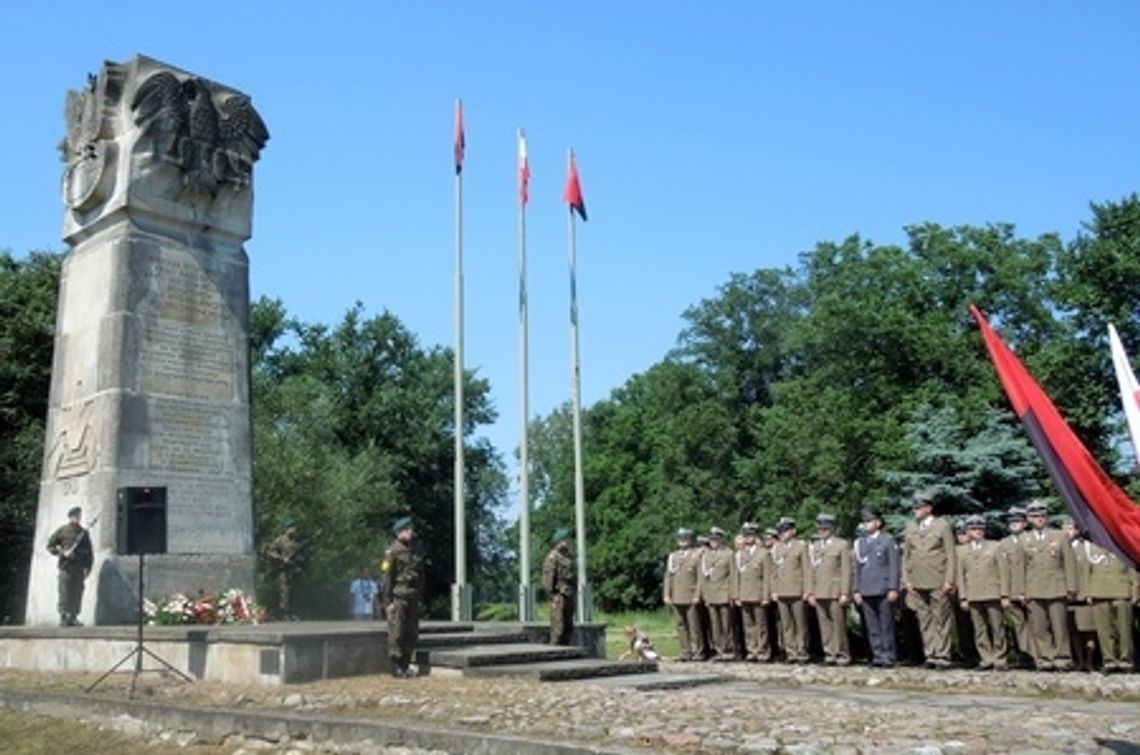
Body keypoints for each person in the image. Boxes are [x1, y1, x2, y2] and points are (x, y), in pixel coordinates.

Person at [902, 490, 957, 668]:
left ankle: (943, 654)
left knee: (941, 617)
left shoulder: (942, 526)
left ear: (928, 508)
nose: (915, 510)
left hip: (938, 579)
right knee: (924, 619)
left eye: (919, 507)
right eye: (914, 507)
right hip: (917, 580)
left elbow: (950, 554)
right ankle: (931, 654)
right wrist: (906, 580)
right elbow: (906, 556)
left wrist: (949, 579)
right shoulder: (911, 527)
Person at [1021, 500, 1076, 671]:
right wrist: (1021, 591)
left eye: (1042, 516)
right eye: (1035, 516)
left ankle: (1063, 658)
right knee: (1039, 627)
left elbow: (1069, 563)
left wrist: (1071, 587)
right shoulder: (1024, 539)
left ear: (1047, 517)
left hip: (1056, 587)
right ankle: (1046, 658)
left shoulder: (1059, 536)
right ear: (1029, 519)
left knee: (1059, 626)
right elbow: (1020, 567)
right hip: (1034, 588)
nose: (1039, 519)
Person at [956, 515, 1010, 670]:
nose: (977, 531)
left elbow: (1003, 572)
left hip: (992, 592)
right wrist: (963, 597)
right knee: (979, 629)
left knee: (997, 627)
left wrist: (1004, 594)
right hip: (973, 594)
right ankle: (986, 658)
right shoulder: (961, 551)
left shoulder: (995, 547)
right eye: (973, 528)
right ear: (967, 531)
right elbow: (961, 576)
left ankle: (1000, 658)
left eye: (980, 528)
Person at [852, 506, 900, 667]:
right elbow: (857, 568)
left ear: (878, 523)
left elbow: (894, 565)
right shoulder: (861, 543)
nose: (865, 524)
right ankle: (877, 655)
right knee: (872, 625)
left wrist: (893, 587)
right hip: (866, 588)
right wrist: (856, 589)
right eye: (864, 521)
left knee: (886, 624)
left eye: (869, 521)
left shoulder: (887, 540)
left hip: (883, 588)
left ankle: (889, 656)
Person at [1083, 538, 1139, 672]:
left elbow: (1133, 571)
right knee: (1104, 630)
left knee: (1124, 629)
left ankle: (1126, 661)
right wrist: (1088, 592)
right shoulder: (1092, 547)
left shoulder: (1122, 546)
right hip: (1099, 591)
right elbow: (1087, 571)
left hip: (1121, 591)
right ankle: (1109, 661)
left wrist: (1135, 592)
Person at [382, 516, 424, 677]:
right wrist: (388, 602)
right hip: (398, 597)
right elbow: (386, 578)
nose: (410, 532)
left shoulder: (415, 550)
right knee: (397, 632)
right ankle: (397, 665)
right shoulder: (392, 552)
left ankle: (406, 663)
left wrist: (420, 593)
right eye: (407, 529)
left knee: (411, 631)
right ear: (399, 532)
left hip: (412, 596)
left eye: (411, 529)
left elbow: (421, 575)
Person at [807, 513, 851, 665]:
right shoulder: (815, 547)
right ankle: (829, 653)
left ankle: (842, 654)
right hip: (819, 590)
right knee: (824, 624)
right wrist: (811, 591)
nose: (822, 531)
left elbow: (846, 570)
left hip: (835, 590)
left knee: (838, 624)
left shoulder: (841, 545)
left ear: (832, 529)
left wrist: (845, 592)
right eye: (820, 528)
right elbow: (811, 571)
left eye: (825, 528)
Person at [770, 517, 809, 663]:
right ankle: (790, 651)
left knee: (800, 623)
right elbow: (773, 572)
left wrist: (807, 590)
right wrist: (773, 590)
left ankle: (802, 651)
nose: (782, 534)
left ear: (793, 531)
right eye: (780, 531)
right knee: (786, 625)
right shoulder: (776, 548)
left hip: (797, 589)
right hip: (781, 591)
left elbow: (806, 569)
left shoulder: (801, 546)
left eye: (785, 530)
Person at [46, 506, 94, 627]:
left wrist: (88, 567)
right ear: (70, 517)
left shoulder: (83, 533)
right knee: (65, 591)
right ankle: (63, 616)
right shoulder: (62, 531)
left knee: (77, 592)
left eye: (79, 516)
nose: (77, 518)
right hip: (66, 567)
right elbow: (50, 546)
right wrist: (63, 552)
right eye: (75, 516)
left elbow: (89, 551)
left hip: (79, 567)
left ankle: (73, 617)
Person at [999, 506, 1034, 666]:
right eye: (1011, 521)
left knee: (1037, 624)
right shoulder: (1003, 544)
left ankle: (1040, 654)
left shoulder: (1032, 539)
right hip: (1012, 591)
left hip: (1032, 590)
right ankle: (1026, 654)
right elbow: (1002, 572)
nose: (1014, 524)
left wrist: (1028, 590)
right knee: (1019, 625)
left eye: (1017, 521)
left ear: (1025, 523)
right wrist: (1004, 594)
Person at [663, 528, 703, 661]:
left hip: (690, 595)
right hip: (677, 595)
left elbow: (700, 577)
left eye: (685, 538)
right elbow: (669, 576)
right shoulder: (673, 556)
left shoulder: (696, 555)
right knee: (680, 625)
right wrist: (667, 594)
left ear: (690, 540)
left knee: (694, 625)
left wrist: (697, 594)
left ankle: (697, 651)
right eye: (680, 538)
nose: (682, 541)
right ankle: (685, 652)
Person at [734, 522, 772, 661]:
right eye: (745, 535)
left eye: (750, 535)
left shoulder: (763, 553)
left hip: (758, 593)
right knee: (748, 625)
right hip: (744, 593)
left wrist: (765, 595)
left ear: (755, 536)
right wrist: (736, 595)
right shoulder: (739, 554)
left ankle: (762, 651)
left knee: (761, 625)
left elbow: (767, 576)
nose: (747, 538)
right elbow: (736, 577)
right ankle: (752, 650)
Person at [699, 526, 735, 660]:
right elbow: (703, 578)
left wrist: (732, 594)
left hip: (724, 592)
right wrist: (705, 595)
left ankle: (729, 649)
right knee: (715, 625)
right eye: (711, 539)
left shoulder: (728, 554)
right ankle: (719, 649)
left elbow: (732, 576)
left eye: (716, 539)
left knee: (726, 624)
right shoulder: (706, 555)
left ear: (721, 540)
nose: (713, 542)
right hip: (711, 594)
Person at [542, 527, 576, 645]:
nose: (568, 541)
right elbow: (548, 579)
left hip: (569, 594)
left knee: (568, 627)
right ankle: (554, 652)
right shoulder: (553, 557)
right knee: (558, 628)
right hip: (559, 596)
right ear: (559, 540)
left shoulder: (567, 557)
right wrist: (552, 596)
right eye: (566, 539)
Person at [267, 519, 306, 620]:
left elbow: (304, 555)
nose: (293, 530)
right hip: (285, 569)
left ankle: (294, 612)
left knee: (295, 592)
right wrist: (281, 559)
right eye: (291, 527)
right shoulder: (280, 540)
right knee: (285, 592)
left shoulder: (298, 541)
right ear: (286, 529)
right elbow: (271, 551)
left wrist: (299, 559)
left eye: (294, 527)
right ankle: (285, 613)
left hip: (295, 568)